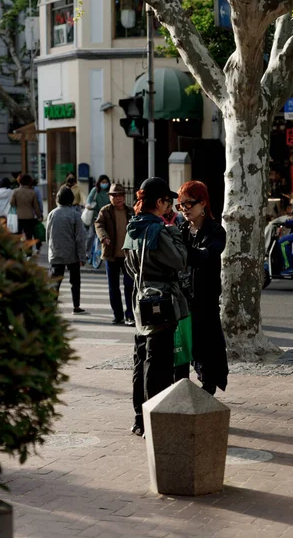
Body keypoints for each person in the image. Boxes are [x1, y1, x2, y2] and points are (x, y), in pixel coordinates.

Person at [123, 177, 188, 437]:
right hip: (161, 301)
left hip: (140, 298)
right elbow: (180, 260)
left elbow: (128, 266)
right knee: (158, 361)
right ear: (159, 201)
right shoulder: (158, 230)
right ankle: (155, 420)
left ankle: (140, 416)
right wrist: (175, 235)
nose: (169, 207)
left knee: (141, 359)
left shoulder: (133, 227)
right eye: (167, 201)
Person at [175, 180, 228, 396]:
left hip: (205, 302)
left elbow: (206, 256)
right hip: (183, 302)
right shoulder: (181, 230)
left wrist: (182, 249)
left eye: (189, 204)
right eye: (181, 205)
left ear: (203, 203)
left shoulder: (215, 231)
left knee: (207, 353)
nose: (185, 209)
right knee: (181, 354)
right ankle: (180, 395)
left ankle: (207, 396)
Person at [95, 183, 135, 325]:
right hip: (111, 255)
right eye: (114, 195)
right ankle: (118, 315)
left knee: (130, 285)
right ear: (110, 197)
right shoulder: (105, 211)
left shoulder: (131, 211)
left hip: (128, 256)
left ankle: (130, 314)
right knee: (113, 287)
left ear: (124, 197)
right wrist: (104, 237)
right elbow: (98, 225)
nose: (118, 198)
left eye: (120, 195)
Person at [47, 187, 87, 314]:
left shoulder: (52, 213)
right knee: (75, 282)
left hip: (56, 252)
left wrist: (51, 250)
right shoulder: (75, 214)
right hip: (72, 254)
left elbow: (48, 235)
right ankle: (76, 306)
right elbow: (80, 237)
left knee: (55, 281)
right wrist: (82, 256)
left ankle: (52, 306)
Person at [85, 175, 111, 260]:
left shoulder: (109, 191)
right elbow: (89, 198)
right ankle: (87, 253)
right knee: (91, 235)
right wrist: (88, 204)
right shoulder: (95, 190)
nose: (104, 184)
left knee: (105, 236)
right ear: (99, 183)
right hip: (95, 216)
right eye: (102, 182)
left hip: (106, 217)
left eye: (106, 182)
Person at [10, 174, 42, 240]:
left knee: (18, 236)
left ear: (19, 181)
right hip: (29, 217)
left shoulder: (15, 192)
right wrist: (39, 216)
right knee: (29, 236)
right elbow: (36, 206)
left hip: (18, 217)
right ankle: (28, 249)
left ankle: (19, 249)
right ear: (29, 182)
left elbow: (12, 203)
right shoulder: (32, 192)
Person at [30, 177, 44, 254]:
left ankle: (30, 249)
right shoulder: (36, 189)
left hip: (27, 215)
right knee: (36, 232)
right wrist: (41, 213)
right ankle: (38, 247)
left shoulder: (22, 190)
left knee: (29, 232)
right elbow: (39, 201)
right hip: (35, 214)